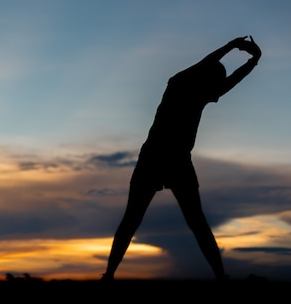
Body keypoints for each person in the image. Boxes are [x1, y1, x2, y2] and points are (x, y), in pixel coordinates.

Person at [101, 36, 262, 281]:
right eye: (215, 82)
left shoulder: (190, 88)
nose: (217, 91)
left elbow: (228, 81)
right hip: (158, 158)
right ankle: (109, 275)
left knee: (167, 220)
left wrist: (248, 57)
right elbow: (216, 71)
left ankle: (109, 276)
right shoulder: (179, 83)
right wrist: (241, 53)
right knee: (143, 220)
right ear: (206, 78)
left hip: (170, 159)